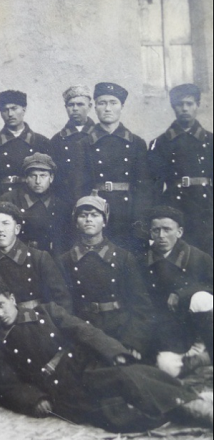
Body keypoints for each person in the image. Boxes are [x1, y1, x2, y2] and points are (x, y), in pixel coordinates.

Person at [0, 277, 213, 432]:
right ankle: (182, 407)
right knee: (116, 413)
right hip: (60, 388)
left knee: (130, 376)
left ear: (12, 299)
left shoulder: (45, 312)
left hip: (84, 364)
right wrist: (34, 399)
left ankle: (198, 408)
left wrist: (114, 351)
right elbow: (8, 386)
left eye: (1, 304)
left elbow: (84, 330)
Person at [57, 192, 155, 361]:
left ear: (104, 221)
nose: (88, 219)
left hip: (120, 332)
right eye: (83, 215)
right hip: (84, 333)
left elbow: (142, 306)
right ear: (76, 223)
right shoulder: (65, 261)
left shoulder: (123, 258)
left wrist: (133, 342)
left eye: (95, 215)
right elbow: (64, 308)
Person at [141, 206, 213, 376]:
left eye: (167, 230)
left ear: (179, 232)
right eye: (156, 230)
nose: (161, 235)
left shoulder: (198, 257)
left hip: (200, 328)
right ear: (150, 233)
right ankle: (200, 359)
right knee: (166, 366)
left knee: (202, 298)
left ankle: (207, 351)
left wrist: (183, 294)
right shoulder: (141, 261)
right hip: (171, 333)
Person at [0, 202, 72, 313]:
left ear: (17, 229)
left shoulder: (39, 258)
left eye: (6, 223)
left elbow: (62, 302)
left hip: (40, 321)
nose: (0, 229)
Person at [82, 82, 150, 253]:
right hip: (97, 212)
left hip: (128, 213)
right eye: (102, 103)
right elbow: (79, 186)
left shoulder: (136, 143)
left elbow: (144, 187)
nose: (107, 108)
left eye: (113, 103)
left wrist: (140, 220)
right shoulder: (83, 143)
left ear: (122, 106)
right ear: (95, 107)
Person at [148, 83, 213, 254]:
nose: (184, 108)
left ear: (197, 105)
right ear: (173, 106)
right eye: (179, 104)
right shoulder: (160, 143)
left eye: (189, 104)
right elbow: (154, 186)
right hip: (175, 206)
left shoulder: (211, 141)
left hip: (207, 206)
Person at [0, 152, 71, 254]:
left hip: (50, 257)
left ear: (51, 178)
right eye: (33, 176)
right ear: (26, 178)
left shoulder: (60, 205)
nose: (38, 181)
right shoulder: (9, 200)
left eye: (43, 176)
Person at [0, 90, 51, 199]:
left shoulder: (41, 142)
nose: (10, 114)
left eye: (14, 108)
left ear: (24, 109)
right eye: (5, 110)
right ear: (1, 113)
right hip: (2, 198)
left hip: (34, 199)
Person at [49, 85, 96, 206]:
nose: (75, 109)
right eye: (71, 105)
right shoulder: (57, 140)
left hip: (95, 201)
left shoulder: (100, 136)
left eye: (80, 104)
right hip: (65, 201)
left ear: (90, 106)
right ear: (66, 107)